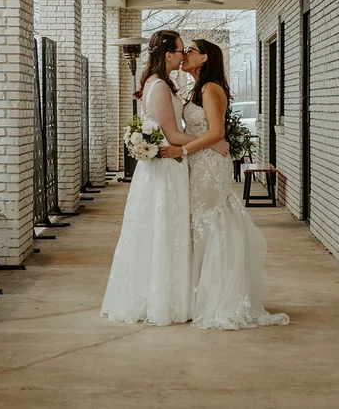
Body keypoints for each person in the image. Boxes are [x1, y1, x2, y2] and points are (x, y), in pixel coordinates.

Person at [100, 30, 228, 325]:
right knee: (164, 231)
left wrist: (208, 138)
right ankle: (161, 301)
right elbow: (171, 135)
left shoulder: (163, 84)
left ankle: (172, 296)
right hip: (167, 166)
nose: (183, 55)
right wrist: (210, 139)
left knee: (167, 230)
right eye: (181, 50)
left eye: (188, 51)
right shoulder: (158, 87)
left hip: (171, 164)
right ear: (167, 54)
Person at [161, 39, 289, 330]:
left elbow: (216, 132)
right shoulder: (198, 88)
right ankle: (199, 296)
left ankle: (219, 299)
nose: (185, 55)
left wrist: (181, 150)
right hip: (199, 161)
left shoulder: (211, 88)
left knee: (210, 224)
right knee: (199, 226)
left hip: (208, 165)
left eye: (190, 50)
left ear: (205, 58)